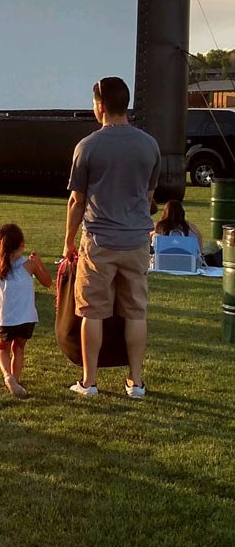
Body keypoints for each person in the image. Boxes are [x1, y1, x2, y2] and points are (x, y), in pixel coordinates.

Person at [64, 77, 160, 398]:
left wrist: (67, 241)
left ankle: (89, 382)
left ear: (100, 106)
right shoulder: (149, 145)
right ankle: (136, 382)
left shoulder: (87, 146)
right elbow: (148, 196)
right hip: (135, 242)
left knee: (92, 311)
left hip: (99, 242)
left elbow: (77, 200)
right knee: (136, 311)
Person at [0, 223, 53, 399]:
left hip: (5, 317)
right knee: (18, 348)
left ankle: (7, 376)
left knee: (2, 349)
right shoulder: (29, 265)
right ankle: (16, 381)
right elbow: (48, 282)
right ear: (22, 244)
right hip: (26, 317)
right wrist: (39, 262)